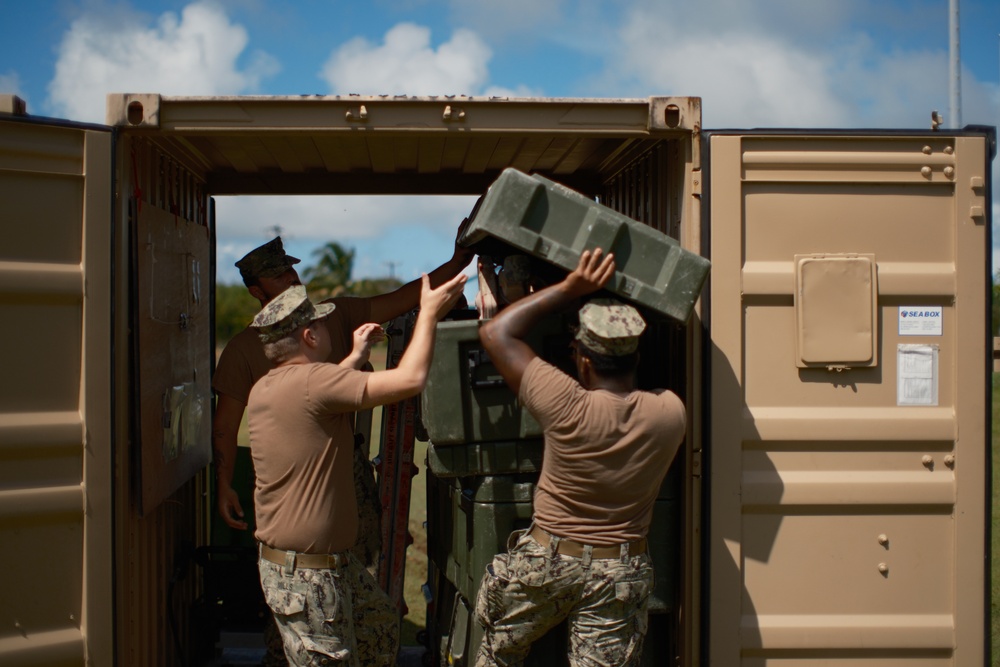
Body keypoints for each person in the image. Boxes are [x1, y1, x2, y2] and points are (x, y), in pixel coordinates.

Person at [211, 235, 472, 665]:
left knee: (377, 625)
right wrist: (427, 315)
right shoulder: (305, 378)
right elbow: (405, 381)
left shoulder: (271, 384)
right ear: (310, 336)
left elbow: (316, 396)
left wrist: (355, 358)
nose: (291, 277)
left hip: (318, 559)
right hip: (307, 570)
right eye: (277, 274)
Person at [473, 248, 686, 666]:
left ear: (582, 359)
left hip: (547, 564)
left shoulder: (565, 403)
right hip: (620, 570)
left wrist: (571, 287)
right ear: (637, 357)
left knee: (498, 654)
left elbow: (497, 333)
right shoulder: (669, 412)